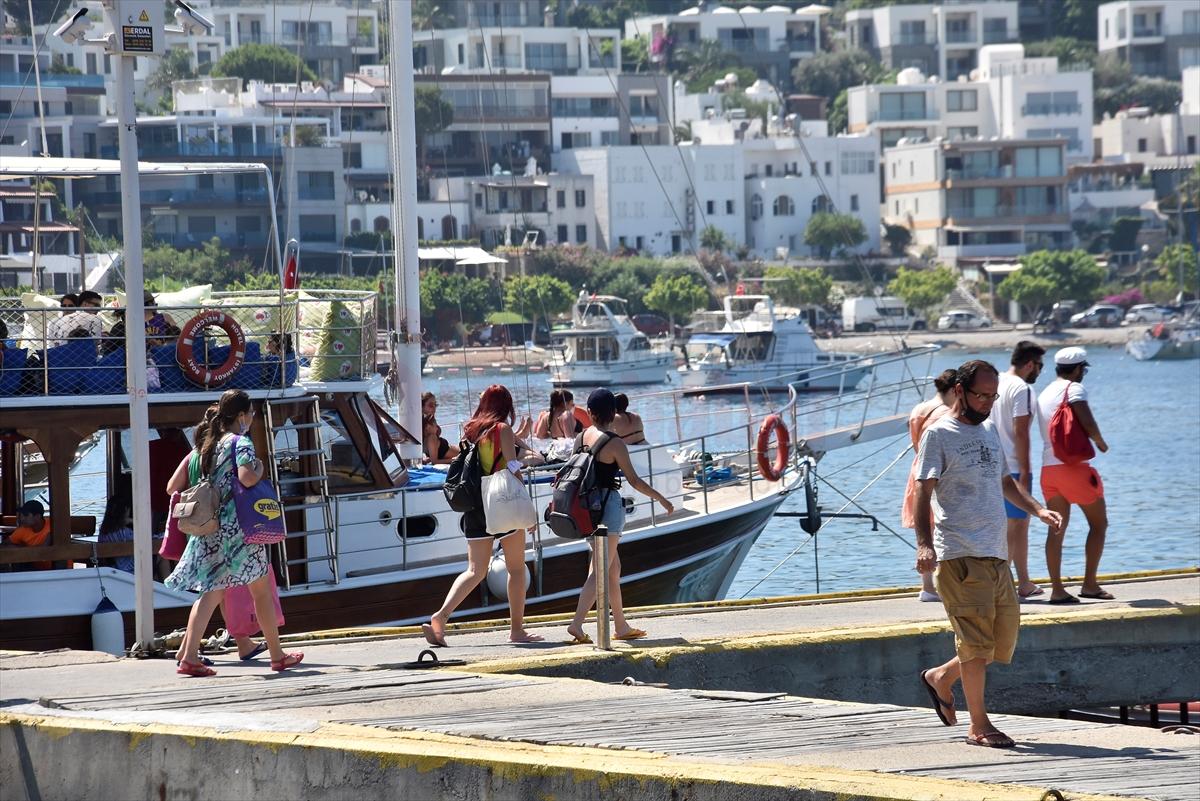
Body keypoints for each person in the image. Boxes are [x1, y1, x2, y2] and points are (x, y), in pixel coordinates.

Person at [914, 360, 1061, 749]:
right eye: (981, 395)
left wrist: (1036, 509)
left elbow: (1004, 482)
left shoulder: (991, 429)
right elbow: (923, 494)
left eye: (993, 396)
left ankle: (941, 677)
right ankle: (978, 725)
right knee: (976, 646)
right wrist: (925, 544)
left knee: (998, 644)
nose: (987, 403)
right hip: (959, 553)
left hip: (996, 553)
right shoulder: (939, 434)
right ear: (960, 390)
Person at [165, 390, 302, 675]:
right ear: (241, 416)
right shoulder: (241, 442)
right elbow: (246, 477)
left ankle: (189, 656)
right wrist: (260, 468)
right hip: (238, 530)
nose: (251, 419)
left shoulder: (206, 445)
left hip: (211, 528)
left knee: (211, 592)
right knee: (261, 591)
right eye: (251, 414)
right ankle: (277, 656)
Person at [422, 385, 543, 646]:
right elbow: (511, 466)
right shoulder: (502, 429)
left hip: (475, 505)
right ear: (505, 406)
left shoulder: (470, 430)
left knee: (475, 570)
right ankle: (517, 630)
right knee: (516, 569)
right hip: (501, 503)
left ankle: (440, 617)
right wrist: (526, 507)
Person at [566, 389, 675, 644]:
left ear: (590, 413)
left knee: (613, 568)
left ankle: (621, 625)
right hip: (608, 509)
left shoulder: (581, 437)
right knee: (602, 569)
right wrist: (660, 497)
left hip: (586, 510)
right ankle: (577, 623)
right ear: (614, 414)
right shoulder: (614, 442)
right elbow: (634, 480)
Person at [1036, 347, 1112, 604]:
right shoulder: (1074, 389)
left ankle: (1057, 590)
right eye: (1084, 369)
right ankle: (1089, 584)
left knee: (1056, 530)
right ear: (1079, 369)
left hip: (1049, 470)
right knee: (1099, 525)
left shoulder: (1044, 392)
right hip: (1074, 468)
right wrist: (1100, 442)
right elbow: (1086, 419)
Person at [993, 341, 1047, 600]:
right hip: (1014, 465)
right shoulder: (1021, 389)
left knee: (1015, 526)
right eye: (1039, 365)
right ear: (1029, 364)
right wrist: (1026, 470)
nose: (1040, 371)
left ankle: (1024, 581)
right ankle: (1003, 585)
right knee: (1015, 526)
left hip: (993, 464)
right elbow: (1021, 431)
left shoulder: (997, 382)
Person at [901, 369, 957, 602]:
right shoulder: (947, 413)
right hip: (940, 473)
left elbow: (915, 442)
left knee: (925, 529)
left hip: (918, 470)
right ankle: (943, 584)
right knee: (944, 529)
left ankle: (927, 586)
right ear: (956, 390)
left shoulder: (918, 410)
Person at [149, 429, 193, 533]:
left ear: (163, 432)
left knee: (151, 532)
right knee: (175, 532)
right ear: (178, 434)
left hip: (152, 498)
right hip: (174, 500)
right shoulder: (183, 451)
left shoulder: (150, 447)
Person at [6, 500, 53, 570]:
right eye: (21, 515)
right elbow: (4, 545)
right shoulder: (23, 529)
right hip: (36, 572)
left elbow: (43, 550)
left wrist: (20, 548)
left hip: (60, 570)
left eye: (26, 515)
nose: (22, 519)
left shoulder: (53, 526)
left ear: (37, 516)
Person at [97, 493, 135, 574]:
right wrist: (134, 521)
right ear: (125, 510)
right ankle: (164, 585)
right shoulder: (125, 532)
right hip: (128, 570)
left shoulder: (104, 531)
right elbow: (145, 539)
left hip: (109, 568)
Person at [421, 392, 459, 464]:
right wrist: (456, 460)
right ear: (422, 406)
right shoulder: (429, 436)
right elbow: (435, 461)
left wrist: (428, 459)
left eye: (435, 405)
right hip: (459, 454)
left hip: (458, 450)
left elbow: (433, 457)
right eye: (431, 405)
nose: (434, 408)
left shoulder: (430, 419)